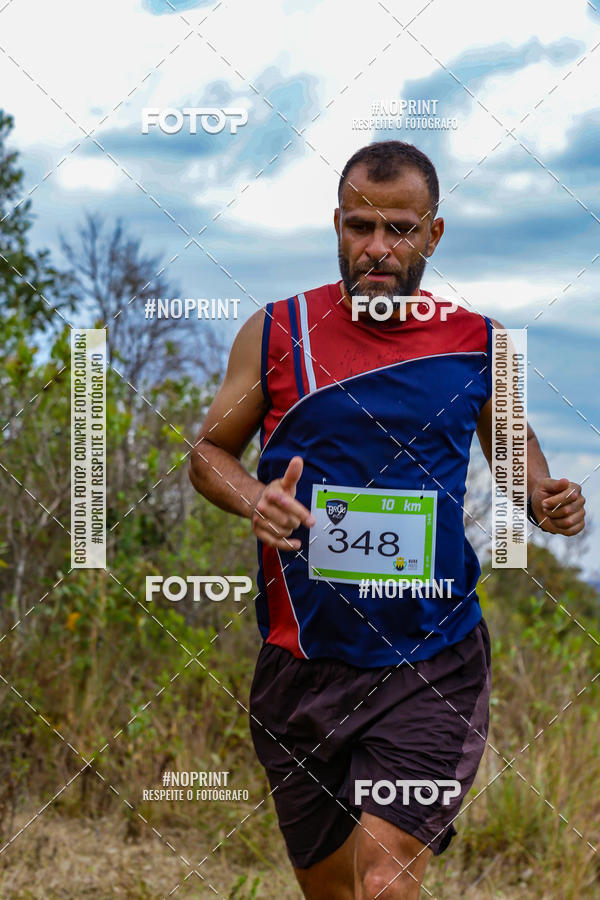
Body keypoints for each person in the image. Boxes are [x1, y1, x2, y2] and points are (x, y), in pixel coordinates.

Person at [189, 140, 586, 899]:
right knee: (335, 890)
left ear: (433, 233)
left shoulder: (480, 343)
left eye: (399, 228)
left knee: (385, 881)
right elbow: (210, 453)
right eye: (361, 227)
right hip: (300, 664)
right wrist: (253, 498)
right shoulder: (278, 333)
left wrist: (540, 494)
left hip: (431, 660)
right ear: (336, 225)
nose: (378, 248)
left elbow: (510, 439)